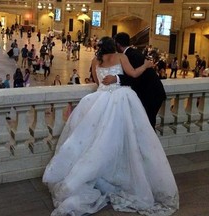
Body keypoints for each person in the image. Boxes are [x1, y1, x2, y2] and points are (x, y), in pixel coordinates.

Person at [43, 36, 179, 216]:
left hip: (99, 99)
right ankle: (121, 172)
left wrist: (109, 81)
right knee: (125, 138)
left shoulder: (94, 61)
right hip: (121, 98)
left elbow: (98, 83)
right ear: (113, 46)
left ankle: (95, 174)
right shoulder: (121, 57)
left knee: (93, 140)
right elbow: (134, 74)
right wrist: (146, 66)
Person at [104, 32, 166, 129]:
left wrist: (116, 78)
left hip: (151, 94)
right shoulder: (132, 52)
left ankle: (149, 144)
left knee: (147, 125)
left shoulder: (130, 55)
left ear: (118, 45)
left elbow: (133, 76)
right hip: (151, 92)